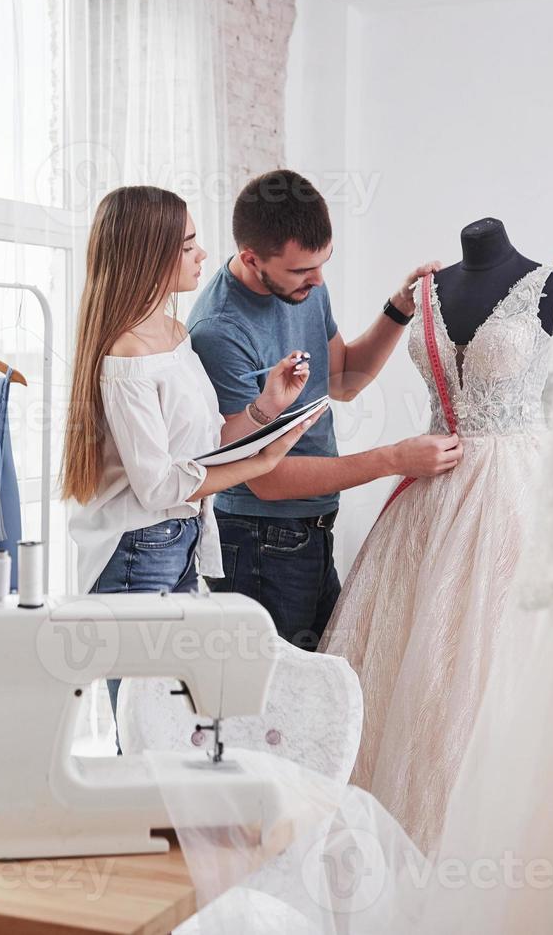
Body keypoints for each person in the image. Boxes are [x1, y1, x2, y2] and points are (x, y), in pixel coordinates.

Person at [187, 169, 461, 650]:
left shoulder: (305, 285)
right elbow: (266, 479)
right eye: (301, 271)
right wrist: (393, 460)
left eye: (322, 265)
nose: (317, 280)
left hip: (309, 532)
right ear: (252, 259)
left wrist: (399, 309)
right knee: (276, 710)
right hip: (258, 541)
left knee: (322, 692)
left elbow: (343, 380)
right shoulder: (220, 330)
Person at [65, 184, 319, 600]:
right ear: (147, 254)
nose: (202, 254)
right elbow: (159, 488)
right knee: (140, 667)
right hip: (137, 549)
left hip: (182, 537)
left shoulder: (175, 334)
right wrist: (261, 464)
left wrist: (267, 406)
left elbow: (205, 445)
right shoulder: (128, 357)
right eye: (187, 247)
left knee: (178, 666)